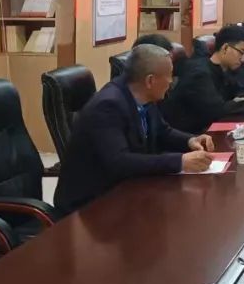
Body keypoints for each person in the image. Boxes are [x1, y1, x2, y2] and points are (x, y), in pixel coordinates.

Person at [54, 44, 215, 215]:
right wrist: (180, 161)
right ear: (150, 81)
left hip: (127, 189)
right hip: (91, 205)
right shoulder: (108, 106)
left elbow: (162, 131)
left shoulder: (143, 95)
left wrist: (190, 140)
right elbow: (120, 162)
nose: (171, 81)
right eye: (169, 75)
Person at [163, 25, 244, 133]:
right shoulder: (200, 73)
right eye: (241, 52)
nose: (243, 59)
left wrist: (242, 101)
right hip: (192, 135)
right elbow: (217, 110)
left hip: (211, 129)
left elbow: (240, 92)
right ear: (225, 48)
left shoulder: (225, 70)